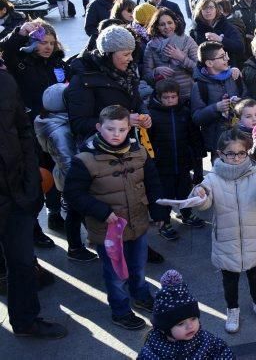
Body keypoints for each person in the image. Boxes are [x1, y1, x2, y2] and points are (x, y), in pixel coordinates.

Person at [63, 105, 169, 330]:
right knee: (115, 273)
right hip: (108, 230)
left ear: (129, 129)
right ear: (99, 127)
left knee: (138, 266)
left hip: (137, 223)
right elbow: (73, 194)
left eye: (122, 129)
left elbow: (153, 182)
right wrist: (101, 211)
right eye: (110, 129)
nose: (116, 134)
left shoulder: (139, 152)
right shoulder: (85, 160)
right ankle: (120, 310)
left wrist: (159, 211)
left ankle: (140, 294)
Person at [188, 129, 256, 334]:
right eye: (231, 153)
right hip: (226, 239)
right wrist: (200, 194)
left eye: (242, 153)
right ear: (220, 154)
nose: (237, 158)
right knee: (229, 279)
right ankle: (232, 309)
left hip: (254, 236)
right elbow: (203, 204)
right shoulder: (212, 178)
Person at [0, 68, 67, 339]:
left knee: (22, 262)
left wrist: (30, 180)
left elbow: (23, 129)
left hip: (15, 192)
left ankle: (26, 320)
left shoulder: (4, 80)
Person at [34, 83, 97, 261]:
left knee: (75, 212)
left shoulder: (55, 120)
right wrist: (80, 183)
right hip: (72, 177)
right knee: (76, 212)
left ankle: (86, 243)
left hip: (68, 174)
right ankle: (76, 248)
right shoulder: (59, 131)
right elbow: (67, 160)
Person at [148, 79, 205, 235]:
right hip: (162, 164)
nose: (170, 100)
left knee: (184, 191)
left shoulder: (185, 112)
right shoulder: (151, 115)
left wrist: (197, 157)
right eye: (166, 97)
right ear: (159, 97)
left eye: (173, 97)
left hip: (183, 162)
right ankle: (164, 222)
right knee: (164, 194)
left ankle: (186, 214)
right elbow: (148, 142)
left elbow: (194, 136)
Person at [139, 269, 234, 359]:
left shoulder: (206, 340)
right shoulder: (152, 351)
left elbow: (224, 354)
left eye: (193, 318)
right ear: (164, 328)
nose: (190, 326)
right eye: (180, 324)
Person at [190, 41, 248, 155]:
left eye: (225, 55)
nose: (227, 59)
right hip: (217, 143)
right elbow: (197, 117)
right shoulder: (199, 86)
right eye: (222, 57)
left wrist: (240, 103)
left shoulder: (234, 76)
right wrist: (215, 108)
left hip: (240, 137)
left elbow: (247, 98)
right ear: (210, 63)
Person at [143, 8, 198, 101]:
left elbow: (199, 70)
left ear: (175, 24)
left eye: (169, 23)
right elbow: (146, 75)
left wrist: (182, 58)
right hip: (164, 98)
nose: (167, 27)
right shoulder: (151, 46)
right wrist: (156, 71)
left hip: (188, 95)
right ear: (157, 27)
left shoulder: (188, 41)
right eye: (162, 24)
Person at [190, 0, 245, 68]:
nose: (208, 11)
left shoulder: (226, 25)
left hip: (229, 66)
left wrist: (221, 39)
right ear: (200, 11)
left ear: (216, 9)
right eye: (204, 8)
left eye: (211, 7)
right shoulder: (196, 30)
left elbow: (240, 47)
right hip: (206, 69)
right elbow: (194, 54)